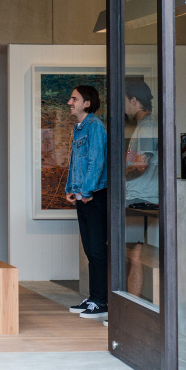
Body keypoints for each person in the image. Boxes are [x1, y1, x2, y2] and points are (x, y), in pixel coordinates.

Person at [65, 85, 108, 320]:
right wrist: (71, 189)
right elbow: (75, 163)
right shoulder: (79, 129)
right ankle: (94, 298)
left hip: (94, 196)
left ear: (87, 103)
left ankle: (101, 301)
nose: (70, 102)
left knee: (97, 249)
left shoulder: (95, 127)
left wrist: (87, 190)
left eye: (74, 99)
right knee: (90, 249)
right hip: (83, 195)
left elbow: (96, 161)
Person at [124, 80, 158, 205]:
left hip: (141, 197)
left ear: (133, 100)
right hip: (139, 195)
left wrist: (117, 179)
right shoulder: (143, 125)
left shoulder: (147, 126)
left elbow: (141, 166)